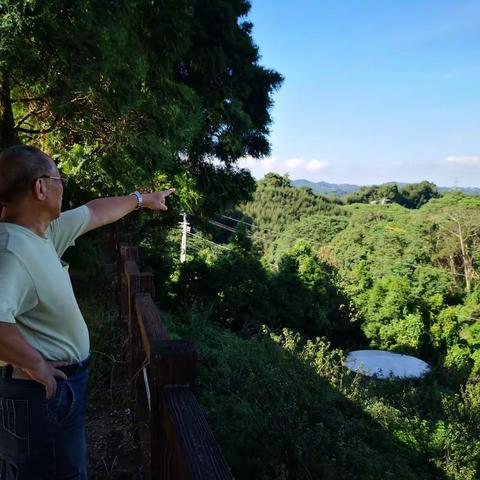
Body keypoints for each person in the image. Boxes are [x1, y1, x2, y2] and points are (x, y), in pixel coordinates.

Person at [0, 144, 175, 479]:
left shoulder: (41, 233)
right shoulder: (11, 250)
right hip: (38, 395)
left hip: (55, 390)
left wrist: (142, 199)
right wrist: (35, 364)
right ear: (40, 188)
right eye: (58, 178)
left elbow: (94, 212)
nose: (62, 184)